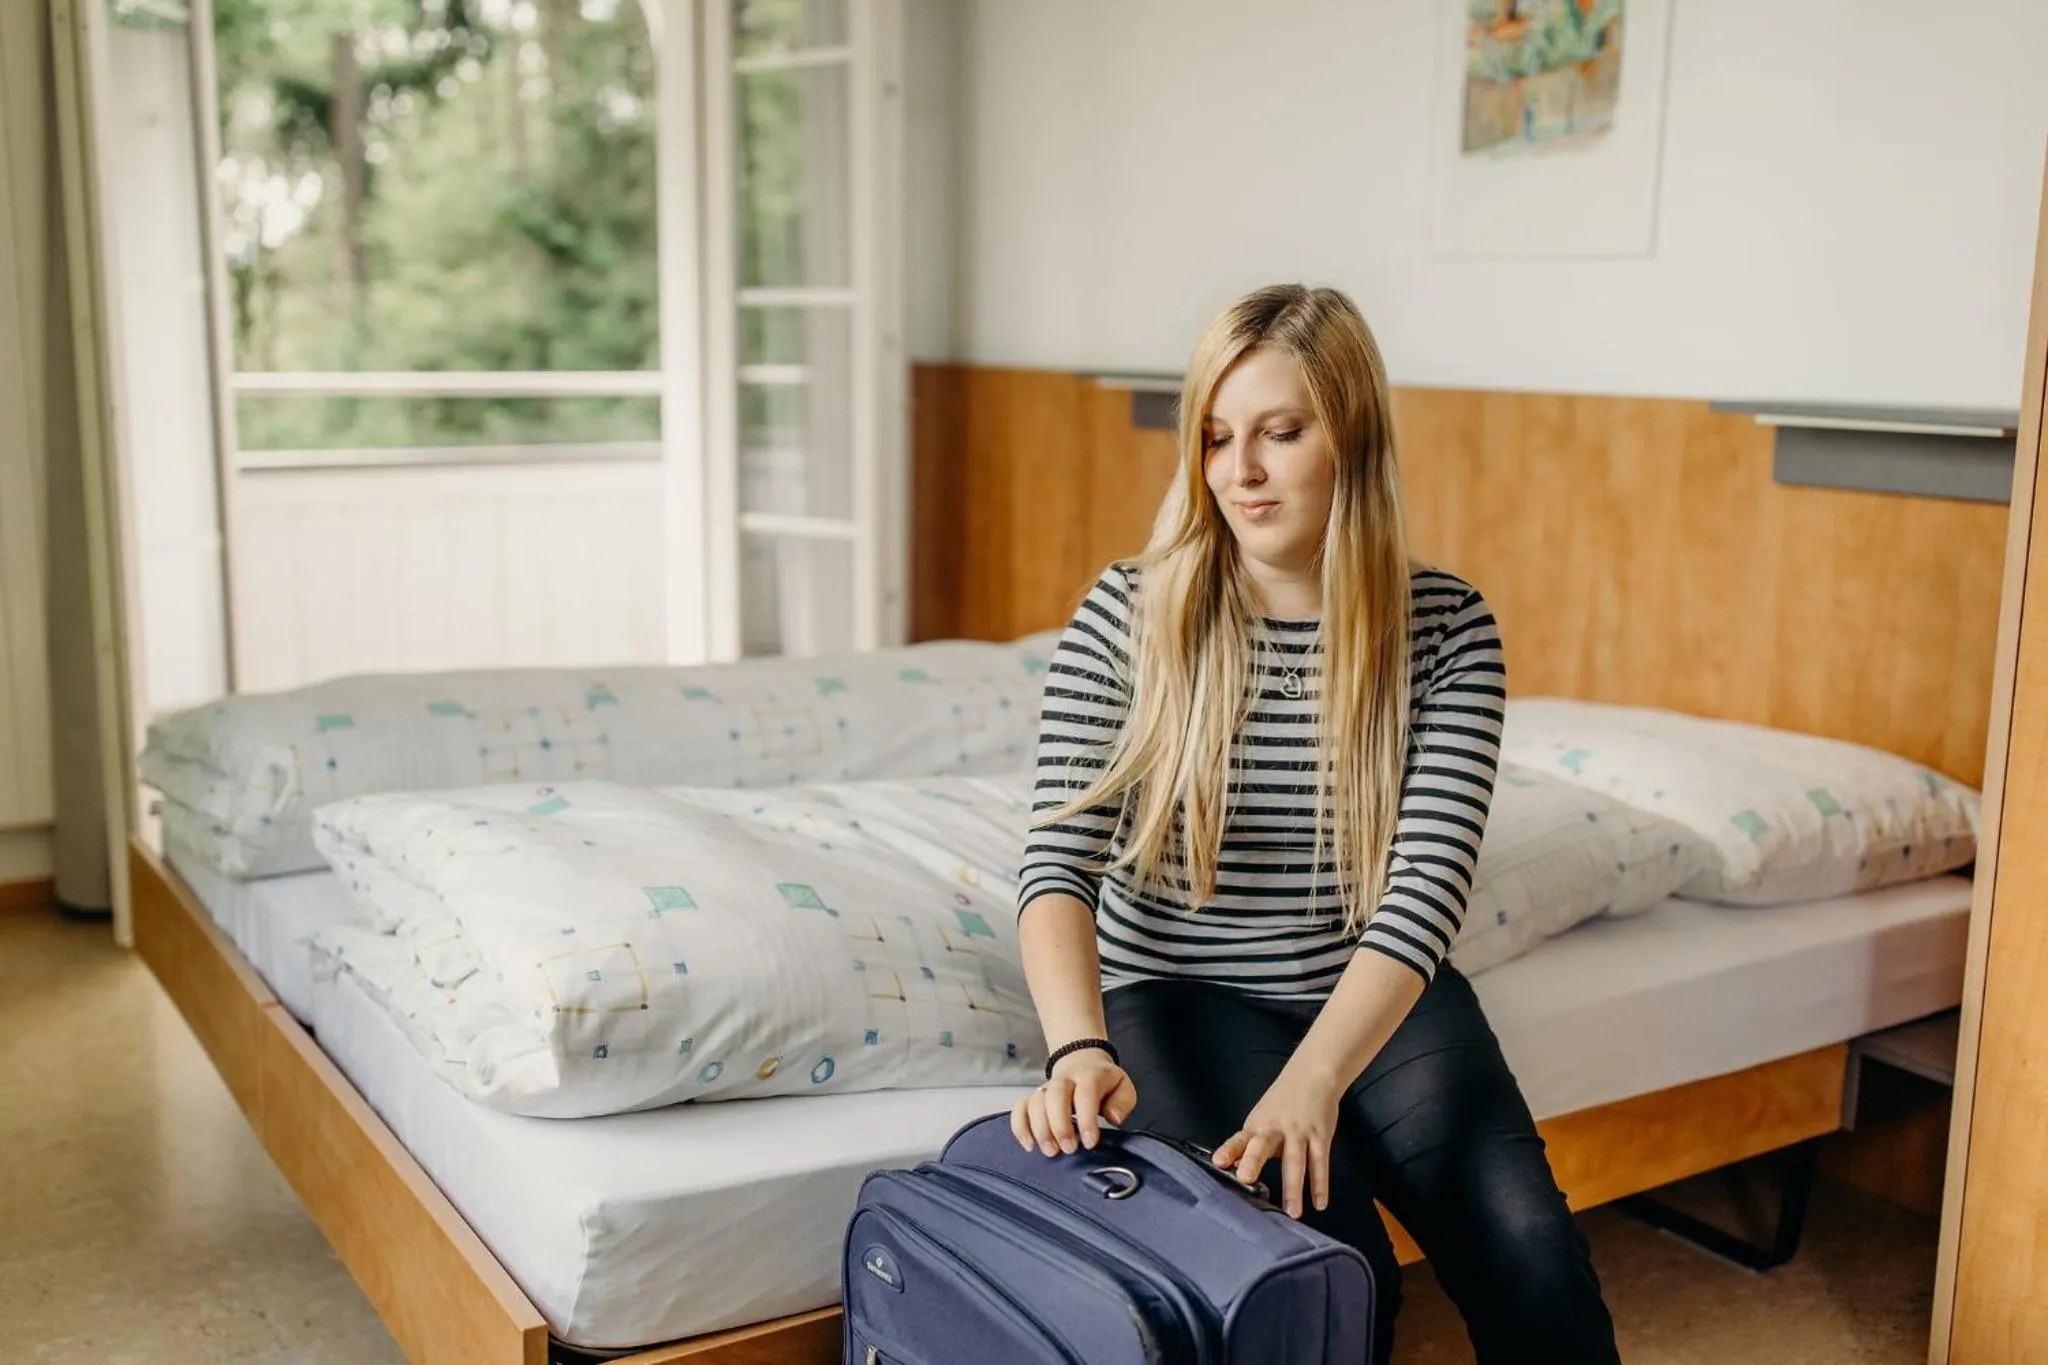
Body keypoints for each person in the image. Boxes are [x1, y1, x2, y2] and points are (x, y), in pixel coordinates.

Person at [1008, 284, 1622, 1365]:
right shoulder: (1126, 612)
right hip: (1179, 992)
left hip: (1370, 990)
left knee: (1531, 1256)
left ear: (1351, 435)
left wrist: (1316, 1082)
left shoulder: (1446, 628)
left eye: (1279, 434)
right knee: (1337, 1272)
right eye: (1214, 437)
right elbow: (1058, 859)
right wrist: (1075, 1045)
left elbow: (1424, 892)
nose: (1238, 473)